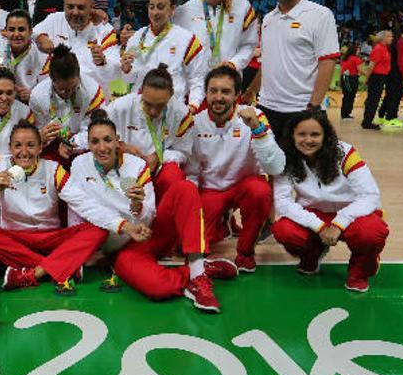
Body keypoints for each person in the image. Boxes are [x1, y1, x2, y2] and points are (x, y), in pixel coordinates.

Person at [0, 121, 108, 330]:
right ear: (10, 148)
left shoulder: (53, 169)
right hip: (13, 240)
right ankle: (60, 268)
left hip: (50, 238)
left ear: (40, 147)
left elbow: (83, 203)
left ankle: (32, 274)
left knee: (98, 230)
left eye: (31, 145)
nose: (24, 152)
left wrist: (123, 225)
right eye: (18, 146)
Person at [61, 112, 238, 313]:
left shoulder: (137, 165)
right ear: (89, 145)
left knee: (185, 188)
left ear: (117, 141)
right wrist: (77, 254)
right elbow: (78, 210)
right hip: (122, 249)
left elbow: (149, 214)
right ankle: (198, 271)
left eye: (107, 140)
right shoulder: (79, 165)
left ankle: (198, 274)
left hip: (149, 234)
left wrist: (138, 207)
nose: (102, 147)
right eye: (95, 142)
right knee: (159, 288)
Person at [272, 109, 389, 292]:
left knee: (371, 233)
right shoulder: (286, 158)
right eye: (301, 134)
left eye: (315, 134)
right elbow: (282, 201)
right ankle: (312, 254)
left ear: (325, 136)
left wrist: (340, 223)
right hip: (316, 216)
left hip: (352, 216)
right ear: (292, 136)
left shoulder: (345, 153)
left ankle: (359, 272)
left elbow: (370, 195)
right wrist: (319, 226)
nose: (308, 140)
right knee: (284, 230)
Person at [184, 66, 286, 272]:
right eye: (213, 91)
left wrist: (257, 129)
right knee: (194, 248)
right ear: (206, 93)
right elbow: (192, 171)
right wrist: (193, 209)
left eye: (225, 91)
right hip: (210, 191)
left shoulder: (254, 117)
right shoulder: (195, 123)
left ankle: (246, 252)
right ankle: (222, 224)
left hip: (244, 187)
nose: (218, 97)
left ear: (238, 95)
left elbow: (276, 166)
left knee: (260, 191)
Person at [250, 0, 340, 137]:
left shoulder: (321, 15)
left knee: (303, 165)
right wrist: (251, 91)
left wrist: (314, 107)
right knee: (268, 163)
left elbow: (327, 62)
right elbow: (267, 62)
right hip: (267, 108)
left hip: (302, 109)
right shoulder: (268, 19)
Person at [105, 66, 194, 202]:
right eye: (148, 104)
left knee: (173, 175)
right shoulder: (120, 107)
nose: (153, 111)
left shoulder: (181, 114)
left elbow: (184, 152)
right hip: (124, 166)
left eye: (160, 106)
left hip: (159, 170)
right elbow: (97, 133)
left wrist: (160, 157)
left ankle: (165, 216)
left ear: (171, 96)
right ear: (141, 92)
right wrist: (120, 146)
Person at [121, 0, 208, 112]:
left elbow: (197, 78)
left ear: (172, 9)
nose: (155, 12)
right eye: (152, 7)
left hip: (172, 109)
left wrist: (193, 106)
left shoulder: (187, 39)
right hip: (141, 109)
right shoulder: (137, 38)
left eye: (160, 7)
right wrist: (126, 70)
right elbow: (129, 79)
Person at [173, 0, 259, 74]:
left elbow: (249, 45)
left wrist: (233, 64)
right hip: (194, 89)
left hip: (228, 86)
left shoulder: (243, 8)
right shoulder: (183, 11)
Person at [33, 0, 122, 98]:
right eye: (70, 7)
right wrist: (39, 37)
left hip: (91, 102)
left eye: (81, 8)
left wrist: (102, 62)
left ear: (91, 7)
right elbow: (27, 35)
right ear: (64, 5)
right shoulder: (53, 20)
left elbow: (116, 73)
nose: (75, 12)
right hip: (53, 102)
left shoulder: (105, 30)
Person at [29, 44, 106, 164]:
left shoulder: (93, 91)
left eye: (73, 88)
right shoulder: (37, 96)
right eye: (63, 90)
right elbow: (40, 131)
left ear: (79, 76)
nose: (68, 93)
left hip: (85, 143)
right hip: (54, 144)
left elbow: (96, 130)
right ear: (51, 79)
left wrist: (72, 144)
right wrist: (41, 137)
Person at [0, 9, 48, 104]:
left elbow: (46, 92)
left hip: (26, 106)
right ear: (6, 32)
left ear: (30, 32)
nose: (16, 34)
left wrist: (32, 95)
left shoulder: (41, 56)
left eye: (21, 29)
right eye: (12, 30)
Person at [377, 20, 403, 128]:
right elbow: (400, 61)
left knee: (390, 95)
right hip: (397, 73)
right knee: (395, 96)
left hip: (392, 72)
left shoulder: (398, 40)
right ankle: (391, 118)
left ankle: (382, 115)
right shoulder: (402, 42)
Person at [361, 30, 393, 130]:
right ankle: (367, 122)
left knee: (374, 100)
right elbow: (371, 66)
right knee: (373, 100)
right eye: (389, 36)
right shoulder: (378, 49)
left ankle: (367, 121)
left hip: (381, 77)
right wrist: (367, 78)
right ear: (383, 38)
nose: (391, 38)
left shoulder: (384, 48)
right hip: (376, 77)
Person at [338, 43, 363, 120]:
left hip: (344, 78)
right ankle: (346, 114)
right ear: (354, 50)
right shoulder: (356, 59)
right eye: (358, 49)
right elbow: (360, 70)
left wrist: (340, 81)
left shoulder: (344, 59)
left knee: (346, 96)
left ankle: (344, 114)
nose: (359, 51)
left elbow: (341, 71)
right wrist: (369, 74)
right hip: (351, 79)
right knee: (350, 96)